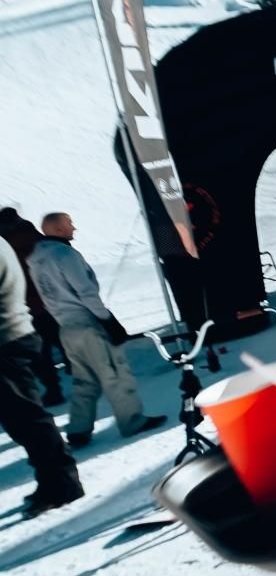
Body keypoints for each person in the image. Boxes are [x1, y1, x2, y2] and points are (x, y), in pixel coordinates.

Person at [28, 213, 165, 449]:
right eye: (69, 223)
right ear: (58, 229)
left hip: (65, 327)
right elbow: (86, 291)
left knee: (84, 380)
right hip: (88, 323)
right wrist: (107, 320)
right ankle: (132, 421)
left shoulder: (36, 259)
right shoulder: (64, 254)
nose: (74, 228)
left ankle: (78, 429)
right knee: (115, 373)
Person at [0, 239, 83, 516]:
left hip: (6, 340)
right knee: (22, 420)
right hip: (12, 335)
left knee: (27, 419)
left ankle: (62, 485)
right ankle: (52, 481)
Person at [0, 206, 66, 405]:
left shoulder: (6, 245)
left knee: (40, 355)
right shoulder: (34, 236)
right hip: (48, 300)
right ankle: (82, 374)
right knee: (62, 340)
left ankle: (53, 389)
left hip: (26, 305)